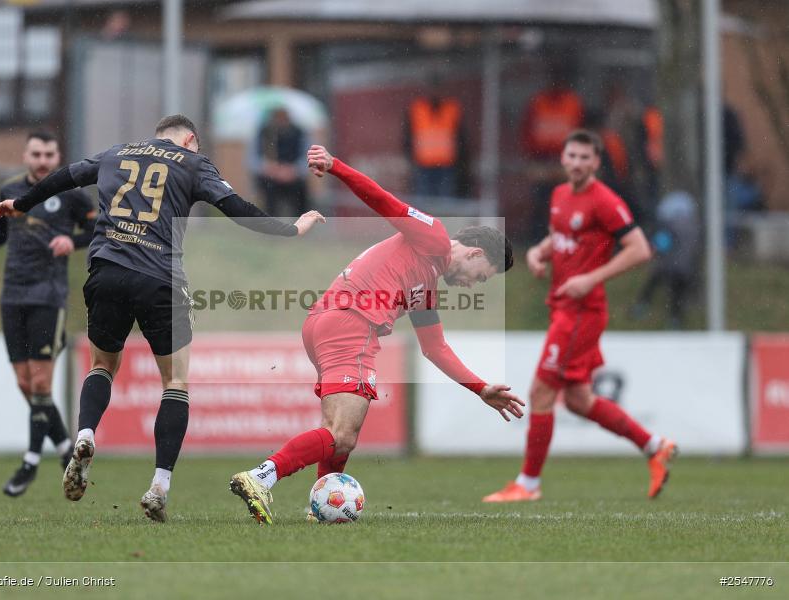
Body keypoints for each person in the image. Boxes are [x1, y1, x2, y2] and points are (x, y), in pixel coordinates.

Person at [0, 115, 324, 522]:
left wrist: (20, 204)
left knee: (101, 365)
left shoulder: (117, 153)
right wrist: (291, 228)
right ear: (189, 140)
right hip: (159, 279)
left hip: (107, 270)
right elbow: (236, 208)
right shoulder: (192, 163)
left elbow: (65, 177)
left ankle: (85, 435)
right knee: (176, 382)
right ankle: (159, 486)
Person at [229, 144, 523, 525]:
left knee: (335, 432)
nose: (473, 286)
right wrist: (336, 167)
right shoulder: (433, 237)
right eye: (481, 277)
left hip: (325, 322)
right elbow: (383, 200)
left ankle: (319, 507)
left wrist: (480, 388)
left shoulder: (426, 287)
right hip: (354, 324)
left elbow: (435, 349)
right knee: (343, 435)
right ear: (476, 254)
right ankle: (260, 477)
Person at [483, 129, 676, 504]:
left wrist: (591, 278)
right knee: (578, 401)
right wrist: (540, 252)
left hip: (582, 313)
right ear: (563, 158)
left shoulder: (604, 201)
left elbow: (639, 250)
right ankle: (655, 446)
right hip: (564, 307)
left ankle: (528, 484)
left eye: (584, 158)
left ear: (596, 163)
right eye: (571, 156)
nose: (576, 163)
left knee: (540, 392)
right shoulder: (559, 195)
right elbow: (560, 238)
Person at [0, 131, 96, 497]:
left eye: (49, 154)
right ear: (25, 155)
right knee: (25, 384)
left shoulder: (71, 194)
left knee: (39, 383)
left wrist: (74, 241)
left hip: (48, 296)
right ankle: (66, 449)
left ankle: (30, 462)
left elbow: (99, 229)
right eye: (36, 154)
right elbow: (1, 233)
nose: (42, 161)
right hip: (13, 293)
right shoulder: (9, 188)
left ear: (57, 155)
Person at [521, 66, 585, 243]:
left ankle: (564, 238)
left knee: (565, 202)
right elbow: (528, 131)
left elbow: (580, 133)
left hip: (565, 161)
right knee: (541, 202)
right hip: (541, 160)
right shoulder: (539, 101)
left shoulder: (573, 103)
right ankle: (538, 238)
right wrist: (532, 156)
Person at [631, 191, 700, 329]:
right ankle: (675, 320)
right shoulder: (693, 227)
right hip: (685, 267)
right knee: (678, 293)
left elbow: (661, 243)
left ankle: (643, 304)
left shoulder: (669, 226)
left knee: (655, 282)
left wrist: (651, 249)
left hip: (668, 265)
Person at [404, 85, 466, 199]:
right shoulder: (418, 109)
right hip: (423, 165)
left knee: (444, 202)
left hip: (446, 165)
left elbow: (461, 137)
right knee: (424, 205)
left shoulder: (451, 109)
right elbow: (407, 136)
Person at [248, 107, 310, 216]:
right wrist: (269, 168)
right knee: (269, 197)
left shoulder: (299, 133)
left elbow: (307, 159)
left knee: (301, 199)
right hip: (269, 178)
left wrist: (292, 170)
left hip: (294, 177)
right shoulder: (263, 134)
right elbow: (253, 160)